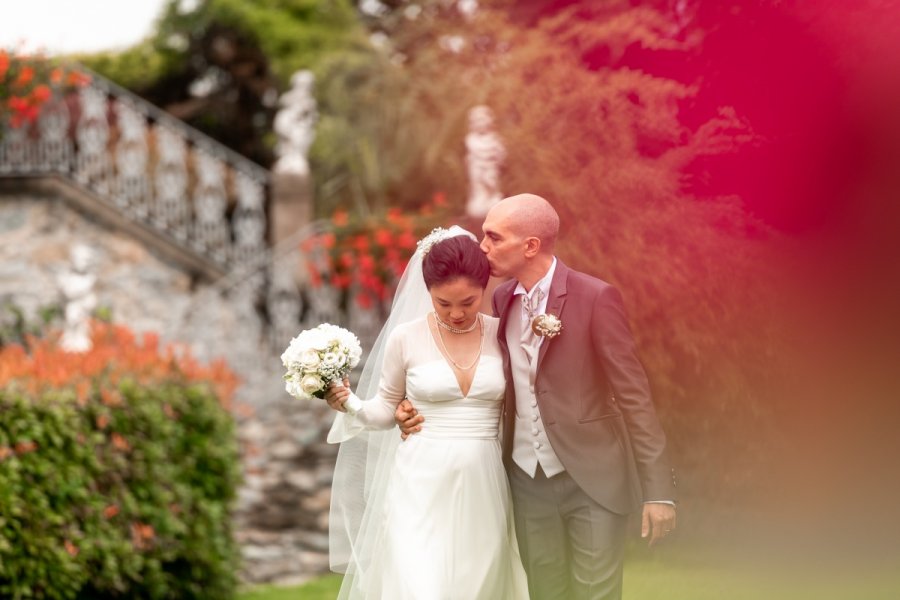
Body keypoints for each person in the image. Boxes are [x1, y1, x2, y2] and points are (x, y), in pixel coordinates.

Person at [398, 194, 678, 600]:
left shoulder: (595, 298)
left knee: (596, 594)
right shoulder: (500, 300)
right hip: (526, 482)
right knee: (544, 593)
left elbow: (635, 398)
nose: (483, 247)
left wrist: (659, 491)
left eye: (494, 238)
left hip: (592, 479)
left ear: (530, 245)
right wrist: (410, 408)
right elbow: (480, 381)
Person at [323, 227, 529, 599]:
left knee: (478, 584)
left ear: (485, 287)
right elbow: (385, 409)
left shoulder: (503, 334)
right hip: (419, 479)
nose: (456, 313)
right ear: (428, 292)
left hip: (484, 478)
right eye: (443, 302)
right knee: (419, 582)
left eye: (468, 301)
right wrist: (350, 403)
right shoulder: (406, 337)